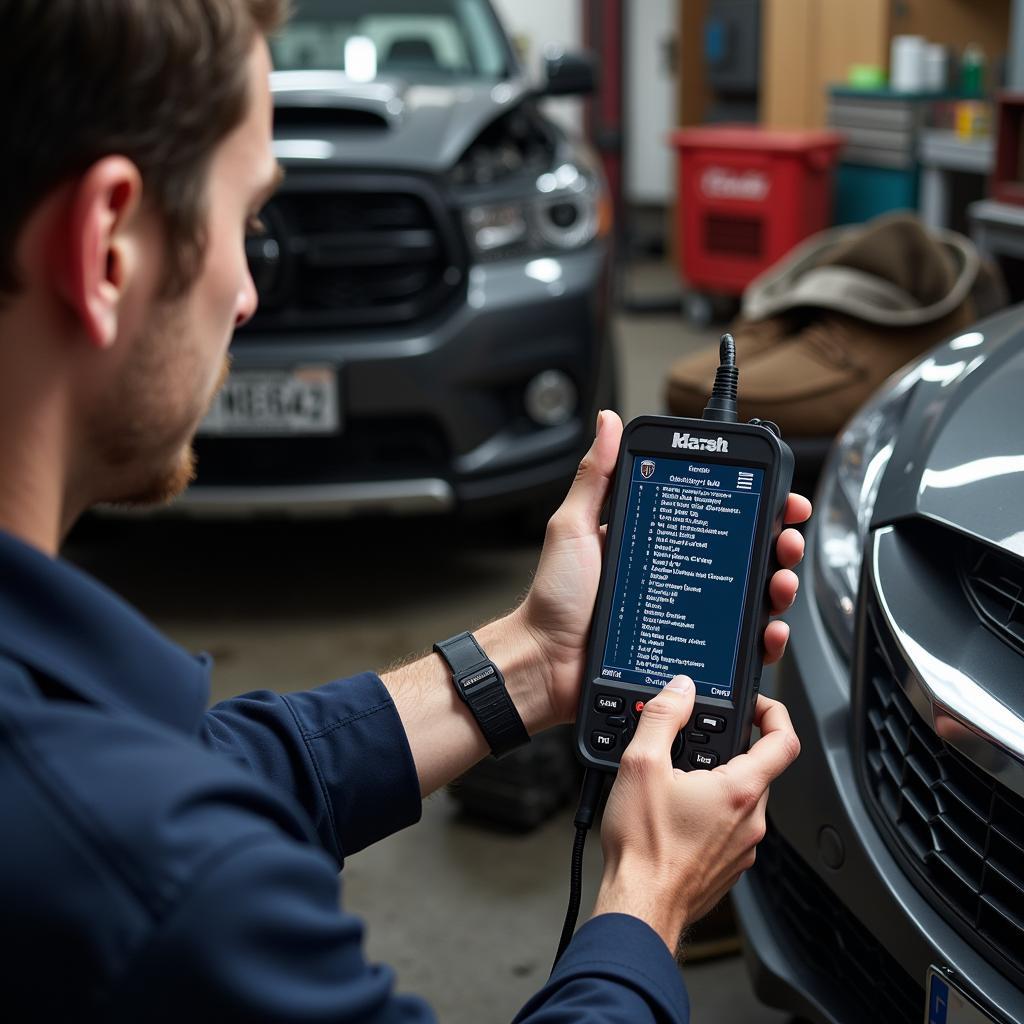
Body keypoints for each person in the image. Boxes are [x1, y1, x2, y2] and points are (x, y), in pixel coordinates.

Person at [0, 2, 810, 1020]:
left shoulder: (81, 756)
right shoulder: (162, 887)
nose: (251, 296)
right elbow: (158, 823)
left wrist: (532, 657)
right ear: (107, 246)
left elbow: (209, 768)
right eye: (252, 226)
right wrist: (646, 890)